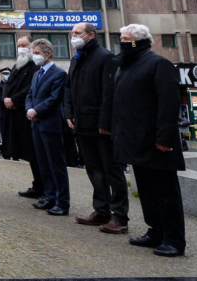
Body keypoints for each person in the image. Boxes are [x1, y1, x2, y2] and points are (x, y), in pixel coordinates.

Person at [111, 24, 186, 257]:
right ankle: (155, 230)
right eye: (121, 38)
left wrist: (164, 137)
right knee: (146, 190)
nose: (122, 42)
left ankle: (173, 239)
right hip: (136, 141)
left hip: (157, 142)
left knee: (165, 192)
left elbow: (169, 102)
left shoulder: (158, 63)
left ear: (140, 41)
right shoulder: (127, 66)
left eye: (126, 39)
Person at [63, 22, 129, 234]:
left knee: (112, 171)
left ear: (90, 35)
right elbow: (70, 89)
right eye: (72, 33)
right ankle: (101, 210)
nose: (73, 36)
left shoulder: (105, 57)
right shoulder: (77, 58)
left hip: (101, 127)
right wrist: (69, 114)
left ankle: (120, 217)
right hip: (82, 125)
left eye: (77, 33)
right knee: (93, 169)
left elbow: (109, 92)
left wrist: (105, 122)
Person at [25, 38, 70, 216]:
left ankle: (62, 201)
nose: (34, 56)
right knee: (43, 163)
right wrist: (29, 109)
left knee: (56, 164)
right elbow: (30, 94)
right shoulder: (37, 74)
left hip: (50, 124)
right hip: (36, 124)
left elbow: (54, 98)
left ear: (47, 54)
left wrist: (37, 111)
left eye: (36, 53)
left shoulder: (59, 74)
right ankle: (49, 196)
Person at [3, 36, 44, 199]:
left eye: (24, 45)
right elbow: (8, 84)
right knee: (29, 154)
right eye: (19, 45)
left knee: (36, 154)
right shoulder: (17, 65)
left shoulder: (35, 65)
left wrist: (15, 100)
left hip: (27, 113)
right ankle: (37, 185)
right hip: (15, 113)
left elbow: (30, 88)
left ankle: (43, 187)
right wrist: (6, 99)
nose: (21, 48)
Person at [0, 68, 12, 157]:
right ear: (1, 75)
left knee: (13, 134)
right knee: (4, 133)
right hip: (4, 112)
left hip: (13, 111)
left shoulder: (12, 84)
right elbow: (0, 98)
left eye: (8, 73)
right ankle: (6, 153)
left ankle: (14, 153)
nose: (6, 75)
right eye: (4, 73)